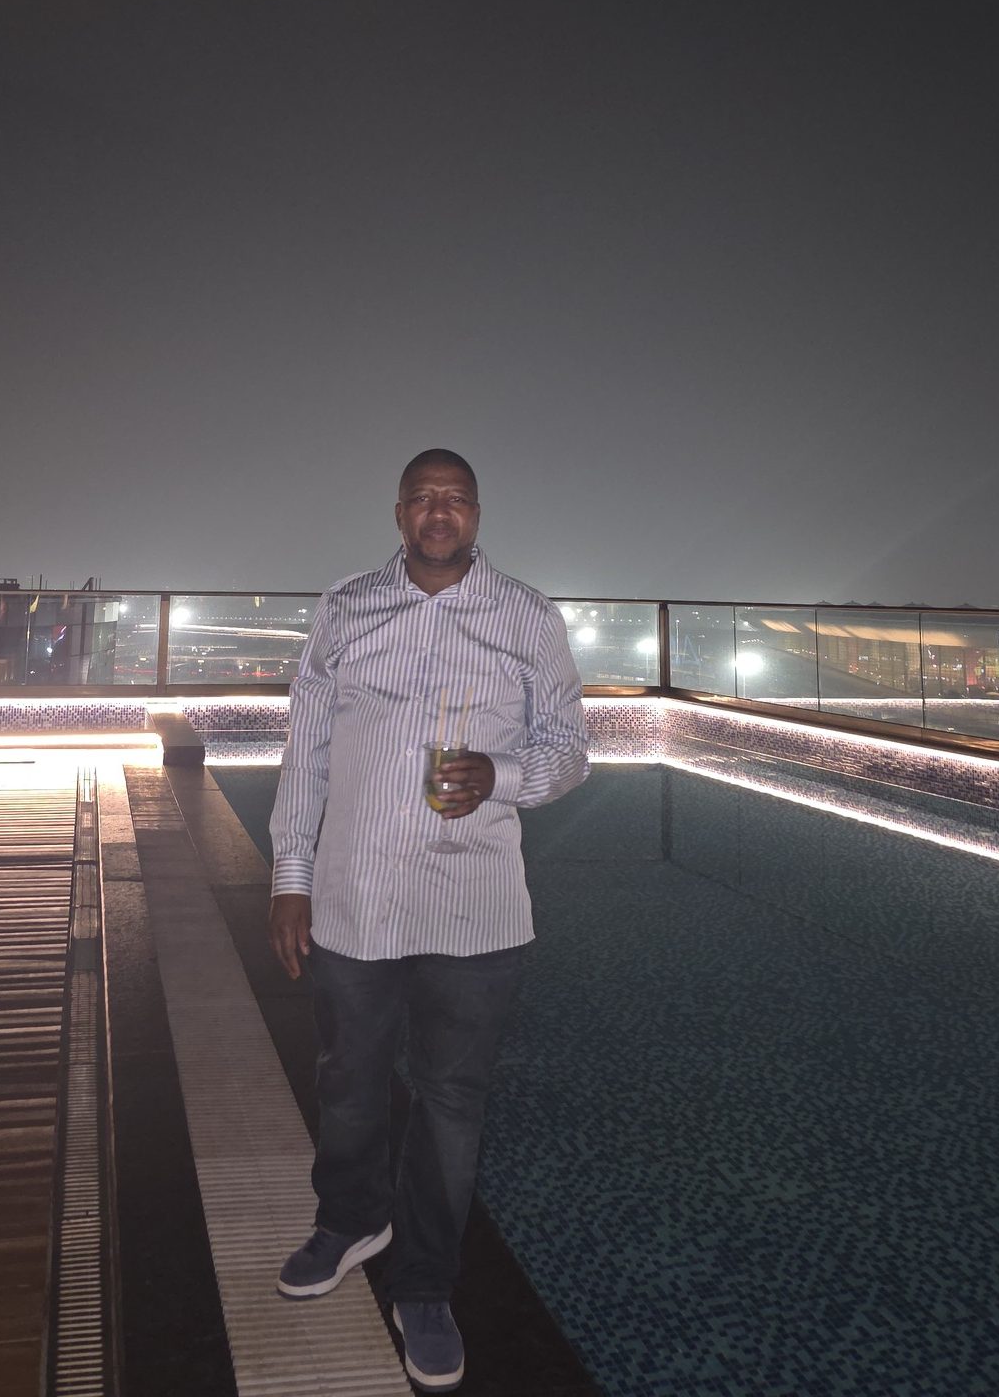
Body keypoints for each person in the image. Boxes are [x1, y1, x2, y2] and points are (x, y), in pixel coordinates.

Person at [268, 449, 587, 1392]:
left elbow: (570, 749)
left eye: (455, 498)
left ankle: (425, 1285)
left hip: (476, 909)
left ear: (477, 512)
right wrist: (290, 876)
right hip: (356, 896)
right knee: (348, 1081)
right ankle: (349, 1219)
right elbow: (306, 749)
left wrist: (503, 776)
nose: (439, 512)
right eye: (422, 498)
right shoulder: (346, 608)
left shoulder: (528, 616)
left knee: (450, 1105)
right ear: (399, 511)